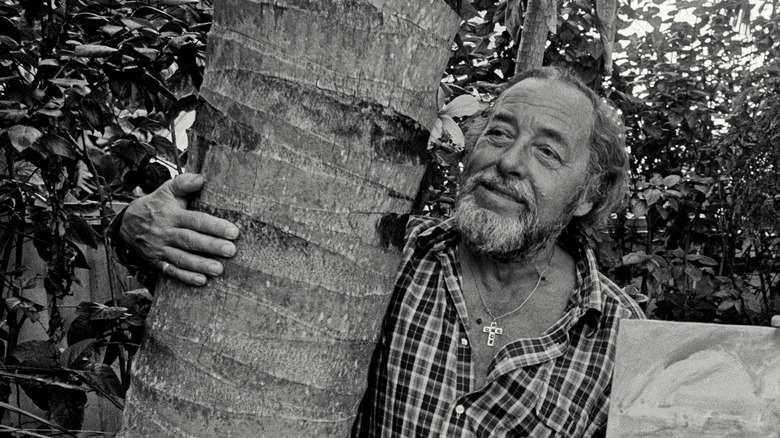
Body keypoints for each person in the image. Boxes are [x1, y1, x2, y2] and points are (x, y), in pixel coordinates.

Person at [111, 66, 645, 437]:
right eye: (499, 134)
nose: (509, 162)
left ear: (590, 194)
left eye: (547, 152)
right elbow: (247, 257)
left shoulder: (624, 337)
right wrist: (129, 223)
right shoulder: (386, 254)